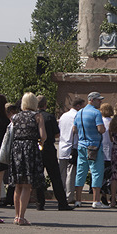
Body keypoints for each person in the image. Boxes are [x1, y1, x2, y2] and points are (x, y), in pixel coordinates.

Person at [8, 93, 47, 226]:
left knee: (17, 185)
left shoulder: (15, 117)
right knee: (26, 185)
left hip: (16, 149)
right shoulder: (37, 116)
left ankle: (16, 215)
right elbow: (43, 135)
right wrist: (40, 141)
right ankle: (22, 217)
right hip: (30, 148)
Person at [35, 95, 71, 211]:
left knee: (38, 176)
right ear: (45, 105)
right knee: (55, 177)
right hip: (49, 148)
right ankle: (62, 202)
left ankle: (40, 203)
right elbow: (57, 134)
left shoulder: (34, 117)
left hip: (37, 148)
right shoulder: (49, 117)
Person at [73, 91, 108, 209]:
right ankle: (96, 200)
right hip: (94, 146)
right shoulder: (96, 113)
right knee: (96, 172)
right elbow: (100, 129)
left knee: (81, 171)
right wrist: (101, 130)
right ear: (92, 100)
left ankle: (78, 200)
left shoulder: (79, 113)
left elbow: (74, 130)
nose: (100, 102)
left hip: (81, 145)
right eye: (99, 100)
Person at [58, 97, 83, 205]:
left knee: (62, 173)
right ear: (78, 106)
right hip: (72, 147)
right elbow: (76, 130)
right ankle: (69, 196)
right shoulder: (76, 116)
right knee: (71, 173)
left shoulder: (63, 116)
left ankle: (61, 194)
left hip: (62, 146)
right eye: (82, 106)